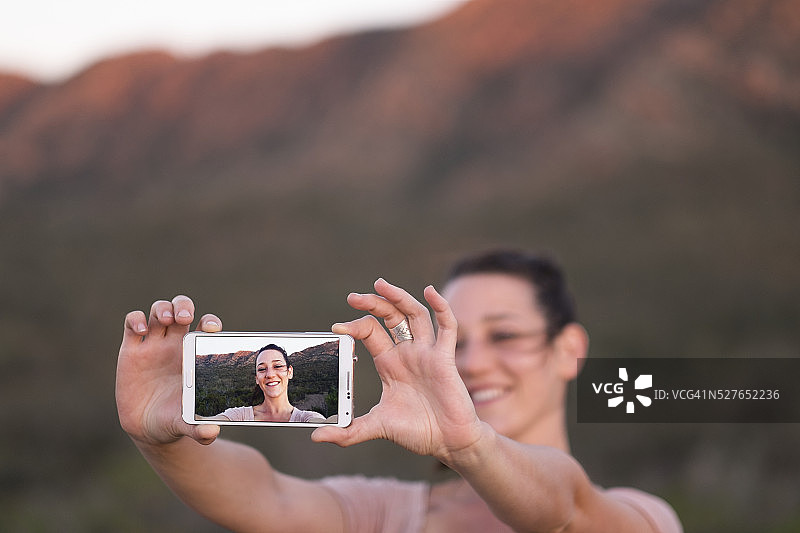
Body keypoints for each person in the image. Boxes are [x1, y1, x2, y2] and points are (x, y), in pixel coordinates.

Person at [116, 249, 682, 532]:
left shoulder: (640, 516)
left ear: (569, 350)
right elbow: (269, 499)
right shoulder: (387, 514)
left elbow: (565, 510)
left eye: (505, 335)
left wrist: (471, 446)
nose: (476, 363)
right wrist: (159, 434)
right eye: (456, 340)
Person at [207, 344, 326, 423]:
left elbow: (326, 424)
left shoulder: (306, 418)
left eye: (278, 366)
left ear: (289, 372)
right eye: (262, 369)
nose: (270, 374)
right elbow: (205, 422)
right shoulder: (239, 415)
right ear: (257, 379)